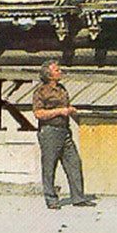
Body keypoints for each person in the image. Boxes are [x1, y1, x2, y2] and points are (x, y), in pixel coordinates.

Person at [33, 60, 94, 209]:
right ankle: (51, 199)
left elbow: (64, 107)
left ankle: (78, 197)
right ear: (48, 75)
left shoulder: (62, 89)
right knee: (49, 165)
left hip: (64, 130)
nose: (60, 72)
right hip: (49, 131)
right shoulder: (41, 92)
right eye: (57, 70)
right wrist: (60, 111)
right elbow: (38, 113)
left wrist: (70, 110)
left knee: (74, 162)